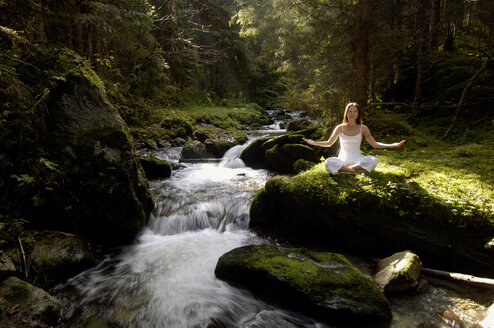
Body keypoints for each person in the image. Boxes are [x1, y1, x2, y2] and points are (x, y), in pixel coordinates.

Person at [303, 102, 405, 174]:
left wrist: (392, 145)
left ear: (358, 113)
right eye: (350, 111)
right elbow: (329, 143)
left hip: (358, 161)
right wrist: (313, 142)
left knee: (373, 160)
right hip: (342, 161)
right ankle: (356, 171)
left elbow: (374, 144)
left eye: (354, 111)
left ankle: (345, 170)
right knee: (328, 162)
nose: (352, 114)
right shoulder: (340, 128)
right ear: (346, 113)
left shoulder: (363, 128)